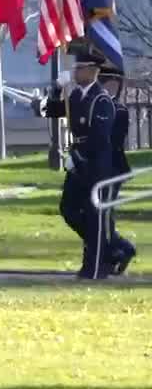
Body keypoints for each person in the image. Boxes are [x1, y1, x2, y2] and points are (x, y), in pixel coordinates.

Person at [42, 52, 116, 279]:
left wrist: (79, 157)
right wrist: (56, 88)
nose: (75, 72)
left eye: (80, 68)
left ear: (93, 70)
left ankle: (95, 267)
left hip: (96, 164)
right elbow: (52, 110)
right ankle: (107, 247)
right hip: (78, 161)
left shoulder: (100, 99)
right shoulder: (75, 96)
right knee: (69, 209)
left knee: (94, 215)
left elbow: (99, 138)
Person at [99, 64, 137, 274]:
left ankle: (119, 249)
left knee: (105, 215)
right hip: (101, 168)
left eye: (109, 83)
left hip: (113, 168)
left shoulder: (118, 110)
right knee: (97, 215)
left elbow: (111, 140)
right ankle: (117, 249)